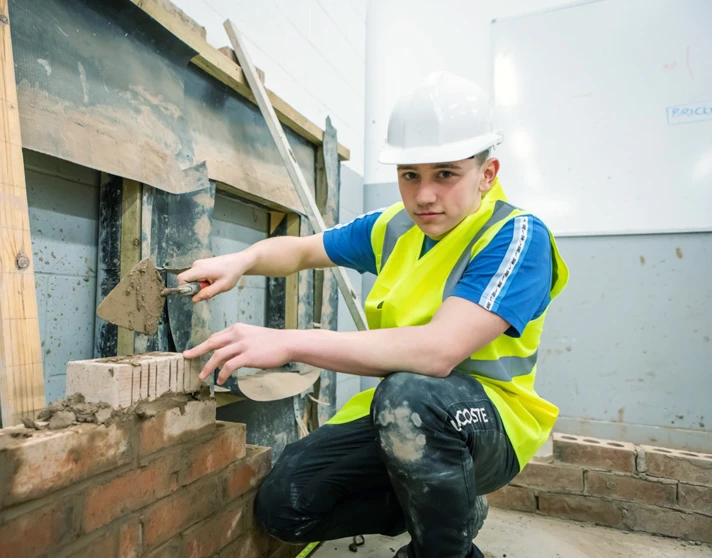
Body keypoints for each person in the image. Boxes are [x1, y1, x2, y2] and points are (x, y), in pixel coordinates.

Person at [181, 71, 569, 558]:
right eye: (410, 175)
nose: (424, 195)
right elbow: (302, 251)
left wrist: (288, 341)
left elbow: (437, 352)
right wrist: (242, 260)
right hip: (405, 415)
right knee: (286, 505)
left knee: (411, 392)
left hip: (490, 425)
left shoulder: (515, 237)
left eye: (445, 174)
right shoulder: (394, 227)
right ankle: (452, 509)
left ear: (486, 174)